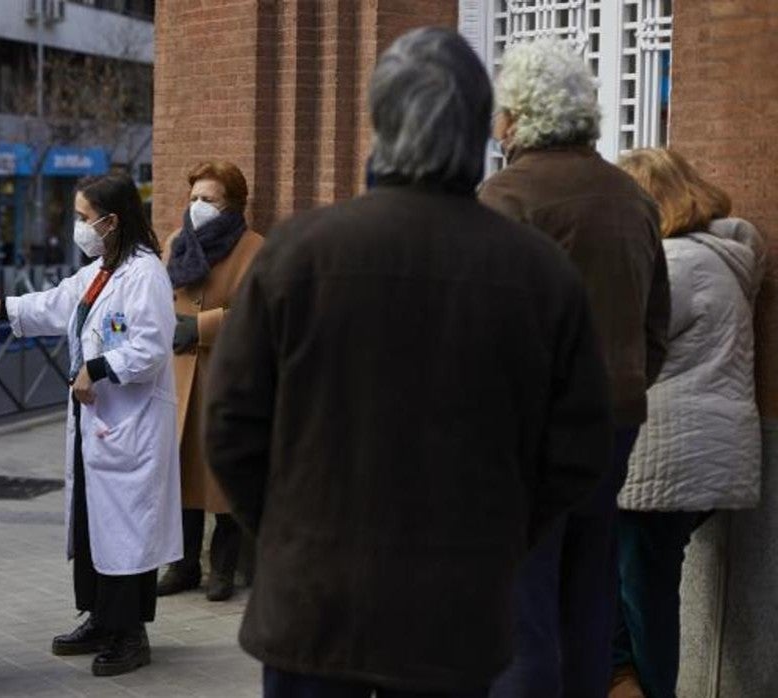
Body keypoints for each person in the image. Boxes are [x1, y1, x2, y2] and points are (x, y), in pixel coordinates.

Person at [205, 27, 613, 698]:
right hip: (456, 609)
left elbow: (229, 426)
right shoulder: (539, 273)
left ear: (378, 123)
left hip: (314, 604)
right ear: (482, 128)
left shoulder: (299, 254)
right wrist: (500, 539)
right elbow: (575, 451)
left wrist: (286, 534)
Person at [480, 38, 671, 698]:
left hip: (524, 433)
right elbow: (656, 327)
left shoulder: (503, 198)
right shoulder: (633, 199)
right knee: (589, 594)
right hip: (612, 423)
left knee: (523, 601)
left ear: (518, 115)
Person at [0, 174, 180, 677]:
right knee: (93, 525)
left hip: (129, 424)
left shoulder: (145, 276)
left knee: (125, 531)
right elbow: (58, 302)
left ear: (111, 220)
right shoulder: (101, 270)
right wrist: (1, 308)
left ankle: (129, 634)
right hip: (96, 422)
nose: (78, 226)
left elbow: (150, 348)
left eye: (82, 217)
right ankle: (99, 617)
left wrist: (95, 368)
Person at [609, 149, 765, 698]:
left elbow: (622, 346)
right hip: (704, 456)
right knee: (632, 584)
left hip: (666, 459)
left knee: (643, 591)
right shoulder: (718, 259)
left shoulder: (674, 263)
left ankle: (646, 688)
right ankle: (625, 681)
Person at [156, 161, 264, 602]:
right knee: (179, 475)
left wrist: (201, 327)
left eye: (209, 200)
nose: (197, 206)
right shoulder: (177, 243)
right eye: (194, 197)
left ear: (233, 206)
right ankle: (182, 567)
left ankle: (222, 569)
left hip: (225, 377)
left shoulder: (255, 249)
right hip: (179, 378)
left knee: (222, 479)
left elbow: (260, 313)